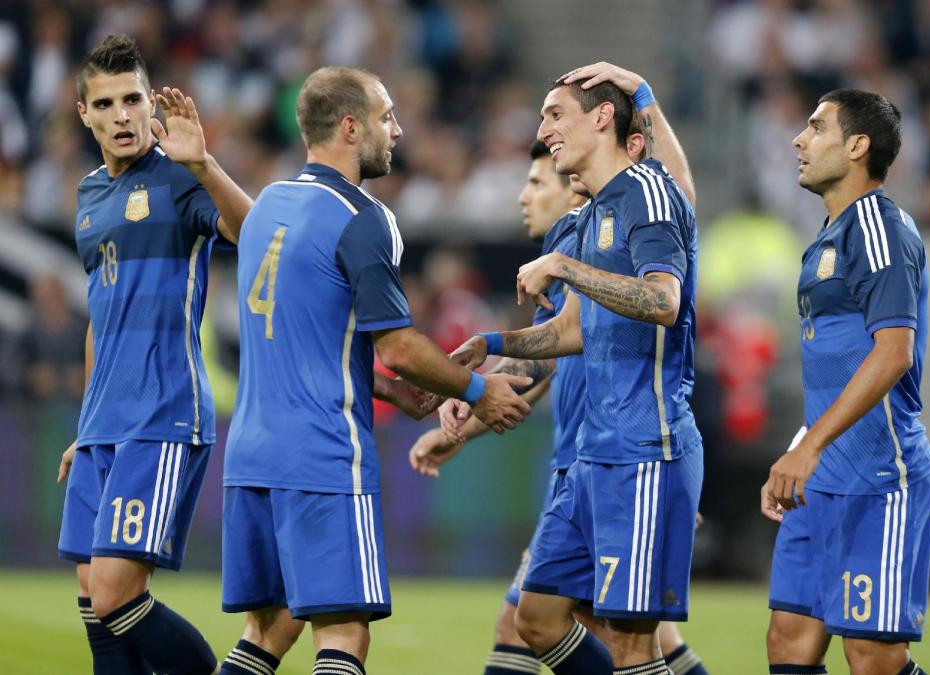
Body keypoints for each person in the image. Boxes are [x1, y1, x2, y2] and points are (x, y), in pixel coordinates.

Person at [217, 66, 532, 675]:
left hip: (251, 457)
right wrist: (477, 389)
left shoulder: (267, 208)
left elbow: (309, 341)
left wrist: (388, 391)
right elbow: (398, 347)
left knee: (268, 630)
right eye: (387, 117)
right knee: (343, 634)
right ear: (351, 126)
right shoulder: (364, 218)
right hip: (323, 455)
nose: (399, 130)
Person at [412, 131, 708, 675]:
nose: (524, 195)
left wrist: (640, 93)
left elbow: (677, 222)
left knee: (624, 637)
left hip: (628, 455)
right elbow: (550, 352)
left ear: (572, 187)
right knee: (546, 621)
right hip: (583, 463)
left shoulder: (613, 225)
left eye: (535, 182)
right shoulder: (577, 236)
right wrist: (479, 380)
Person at [55, 34, 252, 675]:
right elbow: (99, 316)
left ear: (150, 105)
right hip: (102, 423)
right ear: (83, 112)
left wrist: (204, 165)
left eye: (133, 99)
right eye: (106, 103)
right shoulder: (88, 196)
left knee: (116, 592)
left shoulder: (177, 177)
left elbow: (254, 235)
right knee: (95, 602)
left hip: (162, 412)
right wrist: (85, 425)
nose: (122, 115)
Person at [761, 90, 930, 675]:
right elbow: (841, 362)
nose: (798, 139)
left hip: (880, 478)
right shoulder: (828, 237)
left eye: (816, 127)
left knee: (872, 658)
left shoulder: (882, 229)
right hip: (821, 477)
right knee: (788, 642)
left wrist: (810, 447)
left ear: (858, 146)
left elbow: (893, 355)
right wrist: (801, 445)